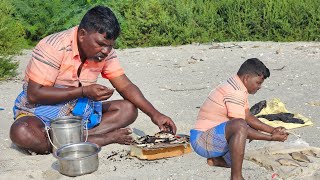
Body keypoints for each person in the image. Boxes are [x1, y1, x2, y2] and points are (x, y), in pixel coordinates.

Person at [10, 5, 176, 154]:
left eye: (110, 46)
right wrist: (83, 91)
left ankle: (70, 139)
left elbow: (125, 85)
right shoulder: (53, 46)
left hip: (79, 111)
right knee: (22, 132)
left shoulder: (104, 53)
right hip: (41, 110)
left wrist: (155, 115)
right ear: (82, 34)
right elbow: (34, 94)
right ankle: (102, 138)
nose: (106, 51)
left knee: (128, 109)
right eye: (101, 44)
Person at [190, 58, 288, 180]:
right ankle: (236, 177)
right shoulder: (235, 92)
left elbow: (247, 115)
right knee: (241, 127)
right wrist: (271, 138)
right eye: (258, 83)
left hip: (211, 136)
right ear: (246, 78)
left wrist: (272, 130)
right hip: (202, 141)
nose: (260, 87)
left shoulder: (237, 85)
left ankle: (217, 159)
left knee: (237, 152)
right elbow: (240, 126)